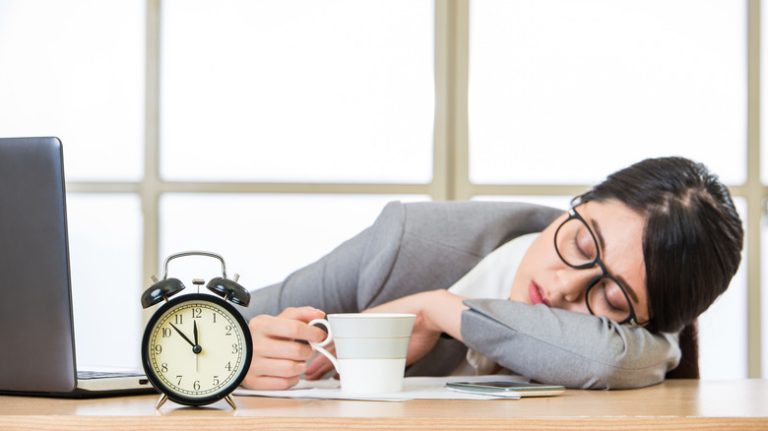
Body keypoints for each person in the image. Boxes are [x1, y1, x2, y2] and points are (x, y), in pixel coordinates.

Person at [240, 157, 743, 390]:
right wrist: (241, 351)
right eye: (580, 243)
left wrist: (440, 310)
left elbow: (609, 360)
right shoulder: (408, 242)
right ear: (579, 204)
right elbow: (188, 326)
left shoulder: (642, 344)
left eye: (611, 301)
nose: (565, 285)